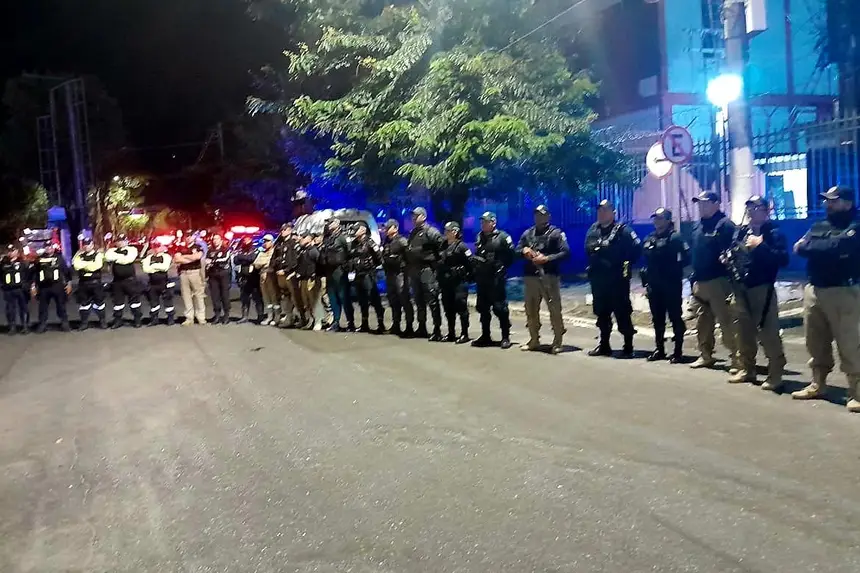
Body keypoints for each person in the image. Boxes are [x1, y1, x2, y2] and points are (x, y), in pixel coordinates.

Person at [792, 185, 860, 412]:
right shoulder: (819, 225)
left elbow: (839, 246)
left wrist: (813, 247)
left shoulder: (855, 225)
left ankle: (857, 392)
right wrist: (820, 248)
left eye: (833, 200)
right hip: (815, 290)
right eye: (827, 200)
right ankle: (818, 384)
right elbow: (799, 247)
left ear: (847, 203)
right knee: (815, 341)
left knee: (849, 343)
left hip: (844, 291)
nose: (828, 204)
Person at [724, 196, 788, 387]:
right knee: (742, 332)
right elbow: (734, 250)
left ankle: (775, 374)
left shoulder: (774, 233)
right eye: (749, 208)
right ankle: (747, 369)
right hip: (740, 287)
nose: (752, 211)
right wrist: (728, 258)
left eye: (756, 207)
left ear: (766, 211)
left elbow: (782, 259)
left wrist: (760, 246)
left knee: (768, 332)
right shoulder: (741, 232)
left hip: (762, 289)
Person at [584, 200, 642, 358]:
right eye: (599, 210)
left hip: (617, 281)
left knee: (622, 313)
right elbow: (588, 248)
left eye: (605, 210)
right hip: (599, 280)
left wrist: (625, 262)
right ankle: (604, 345)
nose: (601, 213)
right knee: (601, 314)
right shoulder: (593, 229)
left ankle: (628, 347)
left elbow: (637, 249)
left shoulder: (623, 230)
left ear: (613, 212)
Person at [689, 191, 738, 369]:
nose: (701, 206)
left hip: (719, 282)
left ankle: (737, 359)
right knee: (702, 322)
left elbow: (735, 250)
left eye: (705, 203)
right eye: (699, 203)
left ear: (716, 204)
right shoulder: (697, 226)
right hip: (700, 281)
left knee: (726, 322)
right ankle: (705, 355)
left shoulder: (725, 225)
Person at [516, 205, 570, 354]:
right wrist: (524, 251)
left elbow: (565, 252)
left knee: (554, 309)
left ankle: (557, 341)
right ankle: (534, 339)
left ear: (548, 216)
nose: (539, 217)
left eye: (542, 215)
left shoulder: (556, 233)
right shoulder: (528, 233)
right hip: (531, 277)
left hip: (549, 277)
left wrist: (547, 259)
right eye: (537, 215)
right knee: (530, 309)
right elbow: (516, 250)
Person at [640, 208, 689, 363]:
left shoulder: (675, 237)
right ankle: (659, 349)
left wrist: (675, 269)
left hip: (671, 284)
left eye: (660, 218)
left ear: (668, 220)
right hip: (654, 284)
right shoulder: (650, 238)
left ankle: (678, 351)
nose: (656, 221)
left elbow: (687, 256)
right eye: (655, 218)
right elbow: (645, 257)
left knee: (675, 317)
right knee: (657, 318)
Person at [472, 212, 515, 349]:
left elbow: (512, 255)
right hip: (482, 277)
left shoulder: (503, 237)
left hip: (496, 278)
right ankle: (485, 336)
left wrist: (502, 267)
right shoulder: (480, 236)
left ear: (493, 222)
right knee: (483, 308)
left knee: (499, 308)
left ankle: (505, 336)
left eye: (486, 222)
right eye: (482, 222)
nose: (483, 224)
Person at [407, 207, 446, 341]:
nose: (413, 218)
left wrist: (437, 264)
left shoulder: (431, 232)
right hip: (415, 270)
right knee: (418, 300)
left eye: (416, 216)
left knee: (432, 299)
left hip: (427, 269)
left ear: (423, 217)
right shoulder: (413, 232)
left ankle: (437, 329)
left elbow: (442, 247)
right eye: (413, 216)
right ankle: (422, 326)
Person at [439, 221, 472, 344]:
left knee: (461, 305)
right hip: (446, 281)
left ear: (455, 232)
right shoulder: (443, 245)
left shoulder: (462, 246)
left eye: (448, 231)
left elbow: (470, 262)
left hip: (459, 281)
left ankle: (464, 333)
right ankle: (451, 333)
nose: (446, 233)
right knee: (448, 307)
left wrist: (467, 275)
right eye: (445, 230)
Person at [349, 224, 385, 333]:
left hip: (368, 274)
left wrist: (372, 266)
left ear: (363, 230)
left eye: (356, 230)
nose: (354, 232)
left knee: (374, 298)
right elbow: (351, 257)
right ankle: (364, 324)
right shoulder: (354, 243)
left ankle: (381, 324)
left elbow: (378, 256)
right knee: (362, 300)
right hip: (358, 274)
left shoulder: (370, 242)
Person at [381, 219, 414, 337]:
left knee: (404, 299)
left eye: (388, 227)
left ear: (395, 228)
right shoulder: (386, 241)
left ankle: (409, 326)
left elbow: (409, 256)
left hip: (400, 274)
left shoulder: (402, 241)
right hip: (390, 274)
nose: (386, 229)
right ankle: (396, 325)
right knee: (393, 300)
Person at [321, 218, 354, 332]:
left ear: (337, 223)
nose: (329, 225)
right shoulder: (328, 237)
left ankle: (350, 322)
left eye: (331, 223)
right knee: (333, 297)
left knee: (344, 297)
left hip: (340, 270)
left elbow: (350, 253)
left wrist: (349, 269)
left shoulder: (343, 237)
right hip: (329, 271)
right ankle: (336, 322)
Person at [32, 242, 72, 333]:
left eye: (50, 246)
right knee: (43, 307)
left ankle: (64, 322)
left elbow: (66, 271)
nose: (48, 248)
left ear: (53, 248)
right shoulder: (39, 259)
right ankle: (42, 324)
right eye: (46, 247)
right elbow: (35, 273)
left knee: (61, 305)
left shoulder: (59, 258)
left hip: (57, 286)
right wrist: (33, 285)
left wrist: (69, 283)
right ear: (44, 248)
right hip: (44, 287)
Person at [105, 233, 143, 329]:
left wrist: (116, 258)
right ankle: (118, 320)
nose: (121, 243)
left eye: (123, 241)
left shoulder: (132, 250)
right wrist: (121, 257)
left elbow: (128, 259)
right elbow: (108, 257)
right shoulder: (111, 251)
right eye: (119, 241)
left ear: (127, 241)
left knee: (135, 302)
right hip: (117, 281)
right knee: (117, 303)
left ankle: (137, 320)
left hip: (130, 281)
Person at [72, 237, 107, 330]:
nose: (86, 246)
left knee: (99, 303)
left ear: (92, 245)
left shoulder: (98, 255)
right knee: (84, 304)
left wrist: (83, 265)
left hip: (95, 283)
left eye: (88, 244)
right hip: (83, 284)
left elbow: (96, 266)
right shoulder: (79, 255)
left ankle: (102, 321)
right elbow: (76, 266)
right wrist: (89, 265)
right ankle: (84, 323)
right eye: (85, 244)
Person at [271, 223, 301, 327]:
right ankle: (289, 318)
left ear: (290, 231)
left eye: (284, 230)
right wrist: (275, 267)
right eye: (282, 230)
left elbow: (294, 260)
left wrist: (286, 270)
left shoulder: (293, 243)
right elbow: (275, 257)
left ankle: (301, 318)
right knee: (286, 296)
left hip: (290, 274)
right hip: (280, 274)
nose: (282, 232)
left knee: (295, 297)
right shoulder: (280, 243)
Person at [174, 234, 206, 326]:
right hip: (183, 273)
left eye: (190, 236)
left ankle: (201, 317)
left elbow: (197, 257)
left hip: (194, 273)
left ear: (193, 237)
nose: (188, 238)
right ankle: (189, 318)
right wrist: (191, 258)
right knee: (186, 296)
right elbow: (177, 259)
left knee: (198, 295)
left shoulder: (198, 247)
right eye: (187, 236)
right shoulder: (180, 247)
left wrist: (184, 257)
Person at [142, 240, 176, 326]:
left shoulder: (166, 256)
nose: (156, 248)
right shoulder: (149, 258)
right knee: (153, 303)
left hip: (164, 283)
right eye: (155, 246)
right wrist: (158, 267)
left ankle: (170, 319)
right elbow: (146, 269)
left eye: (158, 246)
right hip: (152, 284)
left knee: (168, 302)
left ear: (162, 247)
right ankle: (154, 319)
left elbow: (165, 267)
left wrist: (152, 266)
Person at [233, 235, 264, 323]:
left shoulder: (255, 250)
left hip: (254, 277)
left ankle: (260, 316)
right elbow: (236, 260)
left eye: (248, 240)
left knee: (257, 298)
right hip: (243, 278)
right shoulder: (240, 251)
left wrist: (242, 258)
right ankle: (244, 316)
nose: (245, 242)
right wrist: (244, 258)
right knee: (244, 298)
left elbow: (252, 259)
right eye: (244, 240)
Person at [296, 233, 324, 330]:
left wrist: (314, 275)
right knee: (306, 302)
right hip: (303, 279)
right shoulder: (303, 250)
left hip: (312, 279)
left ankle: (318, 321)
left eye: (304, 237)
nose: (301, 239)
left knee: (315, 301)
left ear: (309, 239)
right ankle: (310, 320)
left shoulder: (313, 251)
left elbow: (320, 264)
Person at [1, 245, 31, 334]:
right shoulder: (3, 264)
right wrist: (2, 285)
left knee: (24, 308)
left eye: (13, 251)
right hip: (8, 290)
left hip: (21, 289)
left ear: (17, 252)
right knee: (10, 309)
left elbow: (30, 274)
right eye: (10, 251)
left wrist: (28, 285)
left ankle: (25, 326)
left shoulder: (23, 262)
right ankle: (12, 327)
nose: (11, 253)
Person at [206, 233, 232, 324]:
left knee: (225, 295)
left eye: (217, 239)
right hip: (213, 275)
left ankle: (226, 315)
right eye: (214, 239)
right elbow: (206, 260)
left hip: (224, 274)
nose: (215, 241)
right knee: (215, 296)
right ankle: (217, 315)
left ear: (221, 240)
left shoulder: (226, 249)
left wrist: (213, 261)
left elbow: (225, 259)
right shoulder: (210, 250)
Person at [254, 234, 278, 325]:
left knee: (274, 297)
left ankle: (277, 317)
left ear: (272, 242)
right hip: (262, 277)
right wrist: (264, 262)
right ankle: (269, 316)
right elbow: (256, 264)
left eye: (267, 241)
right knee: (266, 298)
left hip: (271, 277)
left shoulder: (275, 252)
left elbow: (272, 263)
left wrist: (264, 263)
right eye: (264, 241)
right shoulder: (262, 253)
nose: (265, 243)